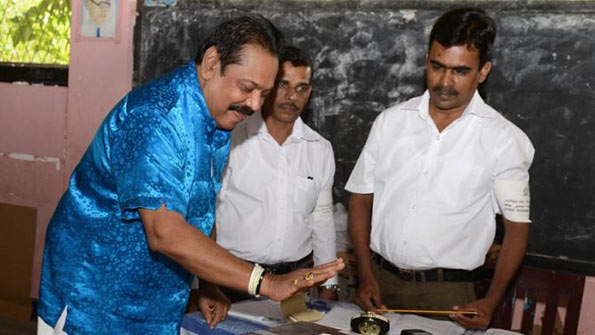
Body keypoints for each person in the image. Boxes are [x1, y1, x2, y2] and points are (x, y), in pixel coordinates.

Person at [37, 15, 344, 335]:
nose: (254, 104)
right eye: (247, 87)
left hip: (157, 299)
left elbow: (201, 210)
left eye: (263, 93)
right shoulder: (156, 117)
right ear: (212, 63)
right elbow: (165, 233)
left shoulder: (218, 117)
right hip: (93, 297)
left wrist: (210, 283)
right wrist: (265, 282)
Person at [346, 8, 534, 330]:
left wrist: (491, 300)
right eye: (437, 66)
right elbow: (361, 200)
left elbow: (517, 230)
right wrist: (364, 275)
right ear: (427, 62)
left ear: (483, 71)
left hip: (446, 296)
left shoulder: (504, 140)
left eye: (460, 71)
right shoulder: (390, 123)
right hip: (376, 284)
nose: (445, 82)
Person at [214, 46, 339, 302]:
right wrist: (204, 283)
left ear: (310, 93)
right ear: (268, 86)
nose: (291, 96)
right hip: (232, 279)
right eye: (283, 84)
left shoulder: (320, 149)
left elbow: (322, 218)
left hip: (294, 284)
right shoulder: (232, 138)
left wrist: (330, 284)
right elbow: (206, 212)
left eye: (301, 87)